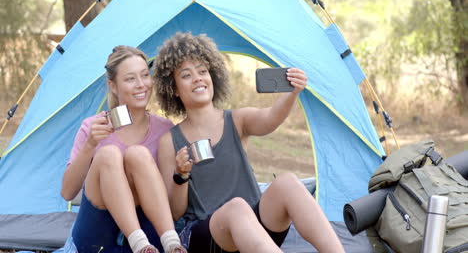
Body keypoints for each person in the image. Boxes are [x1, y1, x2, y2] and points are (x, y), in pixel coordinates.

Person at [154, 32, 345, 253]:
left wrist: (292, 93)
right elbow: (174, 212)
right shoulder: (170, 141)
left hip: (255, 230)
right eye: (186, 75)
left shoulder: (237, 120)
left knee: (288, 183)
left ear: (212, 77)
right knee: (236, 208)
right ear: (174, 89)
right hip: (209, 236)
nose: (198, 78)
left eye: (203, 71)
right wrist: (181, 174)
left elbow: (270, 118)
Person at [61, 46, 187, 253]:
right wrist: (90, 145)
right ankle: (138, 242)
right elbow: (67, 192)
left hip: (151, 231)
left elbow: (172, 204)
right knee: (109, 153)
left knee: (138, 154)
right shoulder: (93, 127)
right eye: (130, 79)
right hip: (99, 233)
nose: (141, 85)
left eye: (145, 75)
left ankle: (172, 243)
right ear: (113, 85)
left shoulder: (165, 129)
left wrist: (182, 174)